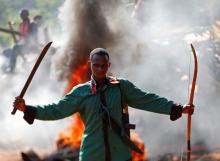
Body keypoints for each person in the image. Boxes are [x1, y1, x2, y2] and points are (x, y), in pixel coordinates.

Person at [13, 48, 194, 161]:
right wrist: (28, 109)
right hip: (92, 154)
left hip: (120, 155)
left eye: (103, 65)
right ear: (90, 65)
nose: (100, 69)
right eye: (96, 65)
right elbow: (56, 110)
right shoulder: (80, 92)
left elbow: (147, 99)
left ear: (109, 65)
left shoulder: (122, 87)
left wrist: (176, 108)